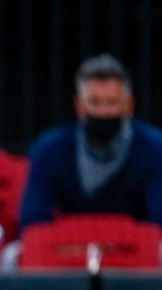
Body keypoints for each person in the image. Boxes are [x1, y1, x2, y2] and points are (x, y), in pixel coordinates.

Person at [19, 53, 162, 230]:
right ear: (79, 106)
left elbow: (159, 221)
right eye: (94, 102)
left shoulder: (154, 148)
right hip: (70, 248)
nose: (103, 112)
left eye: (111, 102)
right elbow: (32, 222)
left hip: (136, 250)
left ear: (129, 105)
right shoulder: (50, 149)